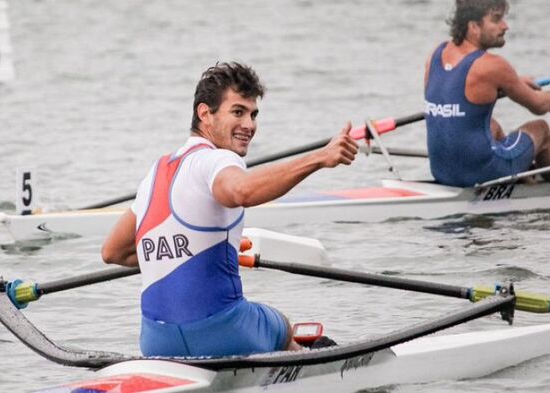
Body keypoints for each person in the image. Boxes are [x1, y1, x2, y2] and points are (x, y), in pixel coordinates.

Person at [101, 62, 358, 358]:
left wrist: (199, 251)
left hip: (156, 340)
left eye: (253, 114)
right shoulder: (218, 160)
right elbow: (241, 191)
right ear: (205, 113)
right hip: (224, 332)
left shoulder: (155, 173)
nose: (249, 124)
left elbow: (113, 252)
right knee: (282, 326)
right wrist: (320, 158)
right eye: (238, 112)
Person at [424, 0, 550, 187]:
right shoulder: (493, 66)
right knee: (541, 128)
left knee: (492, 126)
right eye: (496, 19)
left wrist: (512, 83)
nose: (505, 26)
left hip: (442, 171)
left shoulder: (436, 53)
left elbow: (459, 90)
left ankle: (522, 174)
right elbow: (540, 106)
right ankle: (542, 192)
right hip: (482, 173)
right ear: (474, 26)